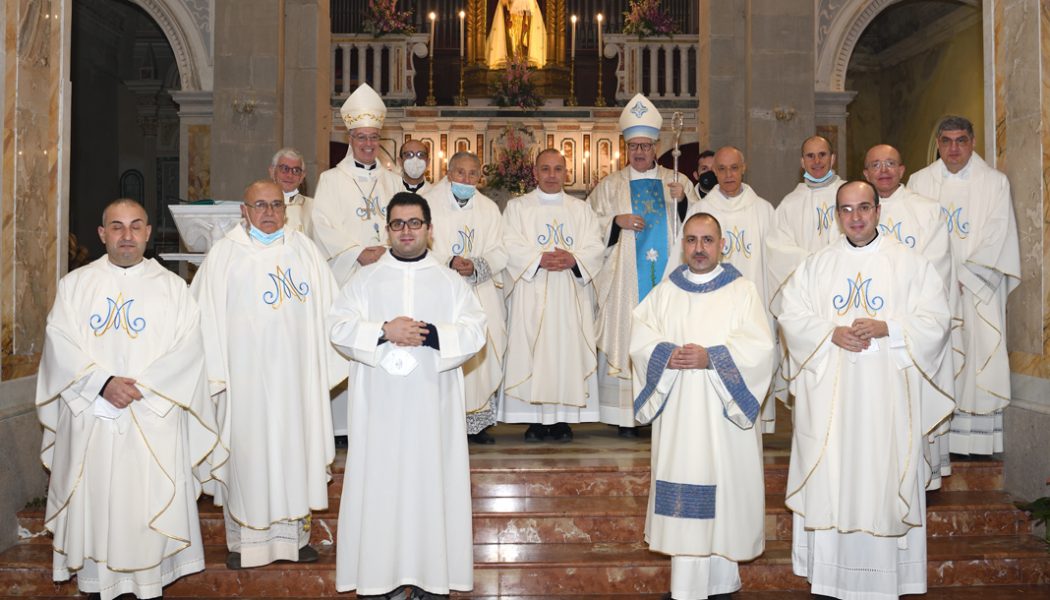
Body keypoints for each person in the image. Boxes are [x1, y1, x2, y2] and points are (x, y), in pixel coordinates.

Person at [778, 181, 954, 600]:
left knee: (882, 471)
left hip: (886, 402)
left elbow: (936, 320)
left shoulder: (910, 264)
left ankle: (884, 578)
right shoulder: (816, 265)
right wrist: (829, 333)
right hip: (831, 408)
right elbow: (791, 315)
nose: (855, 217)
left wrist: (888, 327)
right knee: (834, 474)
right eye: (845, 210)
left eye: (863, 208)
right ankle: (831, 578)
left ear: (878, 211)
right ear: (836, 215)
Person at [36, 199, 216, 600]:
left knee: (144, 514)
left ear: (149, 233)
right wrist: (102, 383)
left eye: (136, 226)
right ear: (102, 235)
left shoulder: (174, 289)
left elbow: (189, 350)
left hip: (152, 419)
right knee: (97, 511)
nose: (127, 235)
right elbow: (58, 344)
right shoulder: (75, 286)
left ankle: (149, 586)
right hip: (93, 420)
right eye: (116, 227)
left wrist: (140, 390)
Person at [330, 192, 486, 599]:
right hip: (378, 410)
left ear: (430, 230)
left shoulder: (450, 283)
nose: (406, 231)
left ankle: (431, 577)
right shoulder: (363, 280)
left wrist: (432, 334)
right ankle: (379, 577)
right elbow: (338, 326)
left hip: (431, 408)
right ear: (388, 229)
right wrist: (384, 331)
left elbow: (475, 330)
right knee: (379, 486)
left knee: (431, 484)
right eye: (397, 224)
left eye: (414, 223)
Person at [191, 180, 341, 570]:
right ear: (244, 210)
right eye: (260, 205)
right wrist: (217, 377)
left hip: (296, 383)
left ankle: (295, 541)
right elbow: (201, 318)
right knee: (248, 457)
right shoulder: (224, 256)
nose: (269, 212)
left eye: (276, 204)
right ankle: (245, 545)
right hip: (244, 385)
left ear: (286, 210)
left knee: (294, 451)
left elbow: (332, 313)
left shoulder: (305, 252)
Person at [631, 212, 774, 600]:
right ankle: (688, 588)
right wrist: (665, 355)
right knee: (687, 486)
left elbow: (762, 348)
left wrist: (712, 359)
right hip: (681, 416)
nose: (699, 248)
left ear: (721, 244)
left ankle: (722, 583)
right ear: (682, 245)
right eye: (692, 240)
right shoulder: (666, 291)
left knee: (725, 493)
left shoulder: (743, 291)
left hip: (723, 416)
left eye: (707, 240)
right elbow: (641, 339)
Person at [908, 115, 1021, 456]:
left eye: (961, 140)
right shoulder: (918, 182)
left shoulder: (994, 183)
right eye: (946, 141)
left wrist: (965, 276)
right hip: (932, 291)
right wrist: (936, 279)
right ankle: (936, 437)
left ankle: (973, 440)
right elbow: (910, 236)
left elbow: (998, 233)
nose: (954, 148)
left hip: (974, 291)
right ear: (938, 144)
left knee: (975, 356)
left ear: (973, 142)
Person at [588, 92, 699, 436]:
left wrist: (682, 204)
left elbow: (698, 227)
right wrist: (614, 221)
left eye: (645, 146)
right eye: (633, 146)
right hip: (626, 282)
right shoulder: (610, 186)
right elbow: (588, 227)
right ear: (626, 148)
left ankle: (667, 409)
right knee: (630, 335)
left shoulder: (675, 181)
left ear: (655, 147)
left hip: (667, 279)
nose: (639, 152)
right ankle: (627, 415)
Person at [862, 143, 958, 488]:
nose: (883, 170)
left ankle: (916, 479)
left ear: (903, 170)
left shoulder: (926, 210)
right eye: (875, 165)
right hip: (866, 339)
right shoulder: (852, 211)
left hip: (906, 332)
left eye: (890, 163)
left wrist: (895, 319)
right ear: (866, 173)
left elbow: (936, 271)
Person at [500, 149, 605, 442]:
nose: (551, 175)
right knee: (533, 351)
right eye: (545, 169)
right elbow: (507, 242)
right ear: (535, 173)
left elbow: (595, 246)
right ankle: (534, 421)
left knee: (565, 351)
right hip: (531, 291)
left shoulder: (580, 209)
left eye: (558, 169)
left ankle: (562, 420)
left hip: (570, 294)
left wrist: (574, 260)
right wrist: (537, 259)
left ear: (566, 173)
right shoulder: (518, 208)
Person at [686, 146, 777, 432]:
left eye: (734, 168)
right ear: (713, 172)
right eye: (721, 169)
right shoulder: (700, 210)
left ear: (744, 167)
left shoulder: (763, 210)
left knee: (748, 356)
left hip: (752, 305)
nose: (728, 175)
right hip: (709, 308)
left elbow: (775, 263)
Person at [424, 152, 508, 444]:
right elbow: (419, 244)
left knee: (481, 350)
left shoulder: (488, 209)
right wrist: (448, 261)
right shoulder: (429, 204)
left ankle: (477, 423)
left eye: (473, 174)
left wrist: (476, 265)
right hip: (442, 293)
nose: (466, 179)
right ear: (448, 173)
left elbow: (501, 250)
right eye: (460, 173)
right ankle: (444, 421)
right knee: (444, 350)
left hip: (479, 288)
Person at [312, 83, 403, 287]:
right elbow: (321, 226)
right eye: (361, 137)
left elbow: (405, 224)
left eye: (373, 137)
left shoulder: (394, 182)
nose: (368, 144)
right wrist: (357, 253)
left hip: (390, 271)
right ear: (350, 139)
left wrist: (387, 251)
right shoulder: (331, 179)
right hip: (348, 275)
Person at [486, 0, 546, 68]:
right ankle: (514, 62)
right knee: (512, 41)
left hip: (524, 19)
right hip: (511, 20)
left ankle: (521, 63)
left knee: (522, 42)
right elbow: (504, 4)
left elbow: (529, 7)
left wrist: (526, 21)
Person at [269, 147, 313, 235]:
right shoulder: (260, 204)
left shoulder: (314, 207)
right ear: (272, 172)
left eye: (296, 170)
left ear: (302, 177)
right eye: (284, 169)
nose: (290, 175)